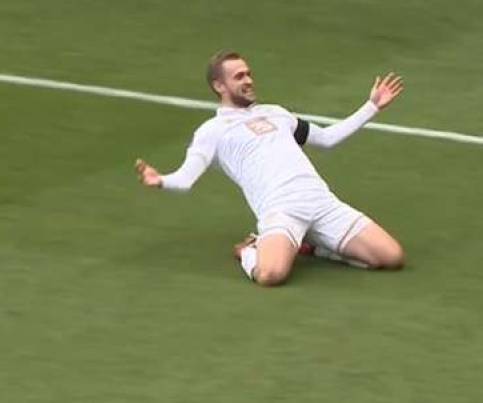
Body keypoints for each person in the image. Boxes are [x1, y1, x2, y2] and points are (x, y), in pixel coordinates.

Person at [134, 50, 405, 286]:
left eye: (248, 73)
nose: (249, 80)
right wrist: (160, 180)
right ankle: (250, 250)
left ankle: (311, 247)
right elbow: (186, 179)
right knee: (270, 275)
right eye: (239, 76)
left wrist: (372, 107)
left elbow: (326, 139)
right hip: (281, 212)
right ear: (219, 85)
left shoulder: (277, 113)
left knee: (391, 257)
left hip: (322, 203)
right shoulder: (211, 132)